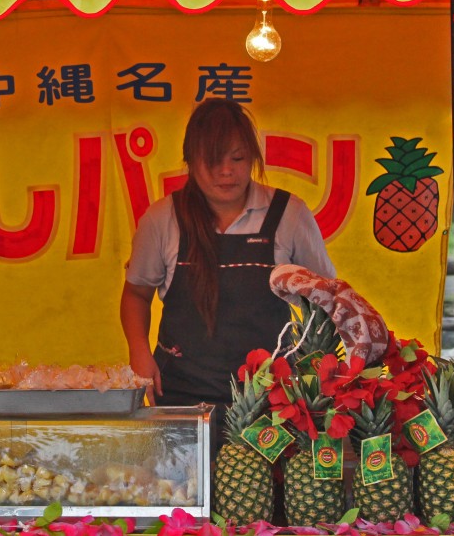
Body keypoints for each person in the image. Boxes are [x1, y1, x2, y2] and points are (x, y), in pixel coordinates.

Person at [120, 98, 335, 410]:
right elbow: (136, 294)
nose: (226, 171)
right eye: (213, 160)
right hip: (181, 394)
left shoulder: (289, 214)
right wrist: (138, 352)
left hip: (270, 399)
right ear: (190, 161)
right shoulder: (162, 218)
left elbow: (326, 296)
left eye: (237, 158)